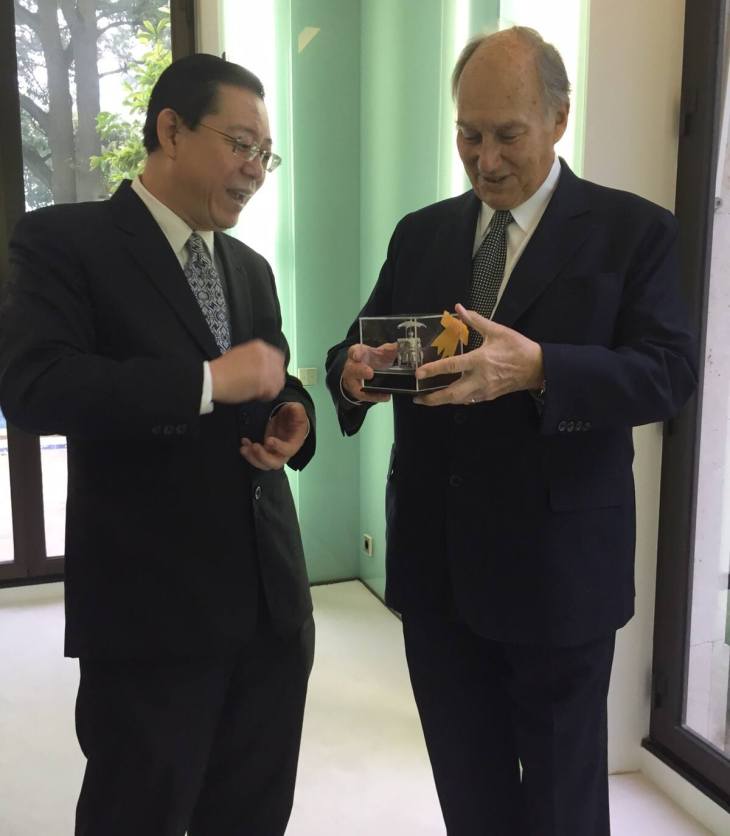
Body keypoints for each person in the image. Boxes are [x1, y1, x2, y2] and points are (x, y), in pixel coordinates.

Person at [326, 26, 696, 836]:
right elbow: (357, 343)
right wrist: (353, 373)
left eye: (507, 136)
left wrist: (540, 369)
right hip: (436, 566)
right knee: (468, 784)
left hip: (558, 576)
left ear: (559, 120)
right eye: (468, 134)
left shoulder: (633, 232)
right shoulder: (420, 232)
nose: (485, 159)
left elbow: (669, 374)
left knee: (563, 798)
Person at [0, 54, 315, 836]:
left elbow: (271, 375)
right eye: (240, 144)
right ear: (170, 130)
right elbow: (36, 388)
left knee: (250, 814)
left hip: (272, 607)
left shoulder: (250, 268)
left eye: (264, 153)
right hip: (151, 616)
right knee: (135, 812)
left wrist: (294, 415)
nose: (255, 170)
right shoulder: (62, 243)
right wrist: (205, 381)